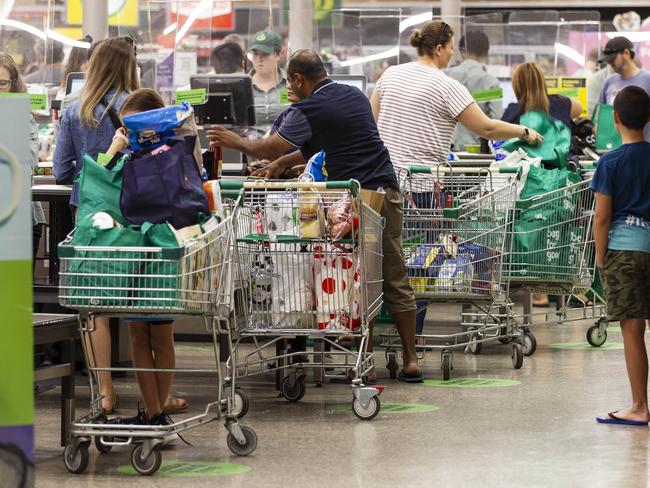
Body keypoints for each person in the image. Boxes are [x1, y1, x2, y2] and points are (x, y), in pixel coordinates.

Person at [207, 49, 423, 382]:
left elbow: (270, 146)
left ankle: (364, 352)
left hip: (360, 200)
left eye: (290, 82)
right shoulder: (352, 95)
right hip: (381, 194)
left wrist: (236, 141)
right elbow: (318, 146)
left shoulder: (309, 107)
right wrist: (280, 166)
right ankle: (410, 358)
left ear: (298, 78)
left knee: (356, 277)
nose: (289, 90)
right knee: (386, 274)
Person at [370, 20, 543, 333]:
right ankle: (413, 338)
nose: (452, 55)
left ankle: (382, 337)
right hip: (421, 191)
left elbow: (372, 124)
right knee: (420, 267)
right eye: (450, 48)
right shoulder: (445, 84)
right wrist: (525, 131)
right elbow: (487, 127)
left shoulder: (390, 75)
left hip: (382, 187)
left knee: (383, 262)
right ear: (438, 49)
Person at [53, 37, 137, 416]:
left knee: (94, 304)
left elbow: (60, 171)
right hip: (134, 210)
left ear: (93, 65)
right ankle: (153, 391)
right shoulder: (141, 108)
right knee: (143, 299)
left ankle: (104, 392)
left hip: (88, 211)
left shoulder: (73, 110)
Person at [105, 88, 189, 424]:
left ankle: (155, 412)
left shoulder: (172, 154)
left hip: (160, 250)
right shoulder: (127, 157)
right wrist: (115, 148)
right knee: (140, 332)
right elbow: (97, 180)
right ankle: (155, 413)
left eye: (132, 129)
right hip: (137, 250)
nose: (128, 135)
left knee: (159, 332)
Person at [502, 62, 583, 307]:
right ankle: (568, 286)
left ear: (517, 86)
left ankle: (539, 291)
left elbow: (497, 139)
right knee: (565, 229)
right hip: (561, 182)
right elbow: (580, 109)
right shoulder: (562, 103)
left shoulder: (513, 111)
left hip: (530, 184)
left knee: (530, 230)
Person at [592, 86, 650, 426]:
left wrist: (601, 258)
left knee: (633, 329)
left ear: (615, 119)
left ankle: (640, 406)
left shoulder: (610, 162)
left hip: (624, 251)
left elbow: (601, 217)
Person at [0, 53, 45, 265]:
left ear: (13, 85)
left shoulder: (23, 118)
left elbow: (26, 163)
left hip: (20, 219)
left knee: (12, 295)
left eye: (2, 83)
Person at [445, 30, 504, 151]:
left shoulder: (444, 75)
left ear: (461, 50)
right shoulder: (493, 83)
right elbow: (496, 119)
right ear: (486, 52)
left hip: (446, 150)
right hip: (477, 151)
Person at [598, 36, 650, 141]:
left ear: (626, 53)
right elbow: (601, 114)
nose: (610, 63)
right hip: (614, 147)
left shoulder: (647, 79)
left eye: (613, 58)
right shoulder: (608, 83)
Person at [248, 30, 287, 131]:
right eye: (255, 54)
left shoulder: (291, 84)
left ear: (278, 55)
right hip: (249, 145)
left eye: (265, 54)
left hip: (283, 144)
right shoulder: (243, 86)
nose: (259, 59)